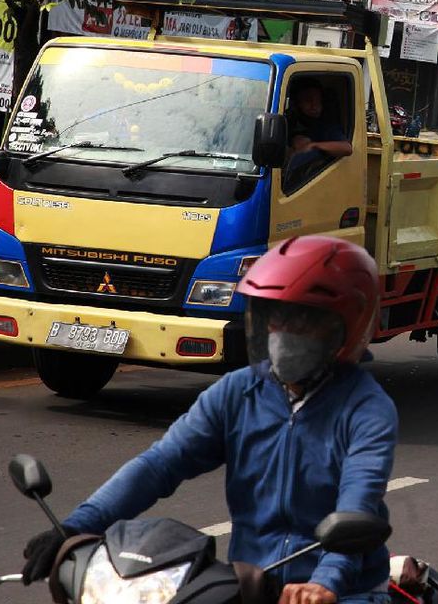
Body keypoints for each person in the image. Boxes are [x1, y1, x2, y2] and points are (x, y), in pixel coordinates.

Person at [20, 236, 398, 604]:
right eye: (273, 317)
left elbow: (357, 508)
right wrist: (75, 527)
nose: (281, 333)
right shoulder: (238, 392)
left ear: (345, 325)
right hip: (251, 587)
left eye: (300, 321)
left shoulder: (366, 410)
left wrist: (324, 583)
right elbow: (159, 465)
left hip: (344, 591)